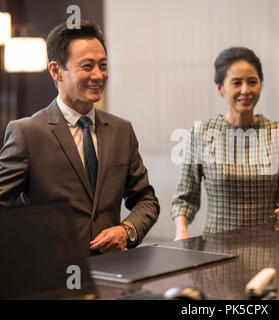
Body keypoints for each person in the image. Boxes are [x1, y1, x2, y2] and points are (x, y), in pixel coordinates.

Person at [0, 21, 160, 256]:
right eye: (87, 66)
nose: (98, 75)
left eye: (103, 66)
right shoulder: (27, 133)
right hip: (52, 273)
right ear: (56, 71)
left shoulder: (121, 130)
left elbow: (146, 199)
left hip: (114, 271)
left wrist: (127, 230)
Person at [171, 47, 279, 240]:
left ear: (260, 85)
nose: (245, 90)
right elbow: (185, 198)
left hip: (270, 247)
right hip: (217, 248)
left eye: (252, 82)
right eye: (236, 83)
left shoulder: (278, 132)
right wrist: (181, 231)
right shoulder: (202, 133)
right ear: (221, 88)